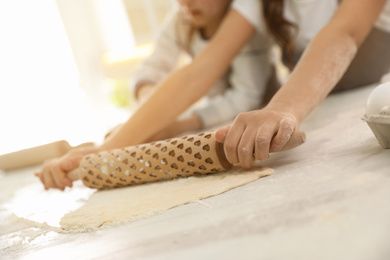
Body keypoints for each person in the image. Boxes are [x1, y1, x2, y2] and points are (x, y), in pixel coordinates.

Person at [36, 0, 390, 190]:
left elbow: (344, 32)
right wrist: (106, 150)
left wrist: (281, 108)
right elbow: (198, 73)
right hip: (333, 101)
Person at [35, 0, 274, 190]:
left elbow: (245, 97)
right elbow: (151, 69)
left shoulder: (247, 15)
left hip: (261, 124)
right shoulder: (182, 20)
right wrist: (148, 110)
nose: (185, 2)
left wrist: (176, 125)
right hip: (217, 124)